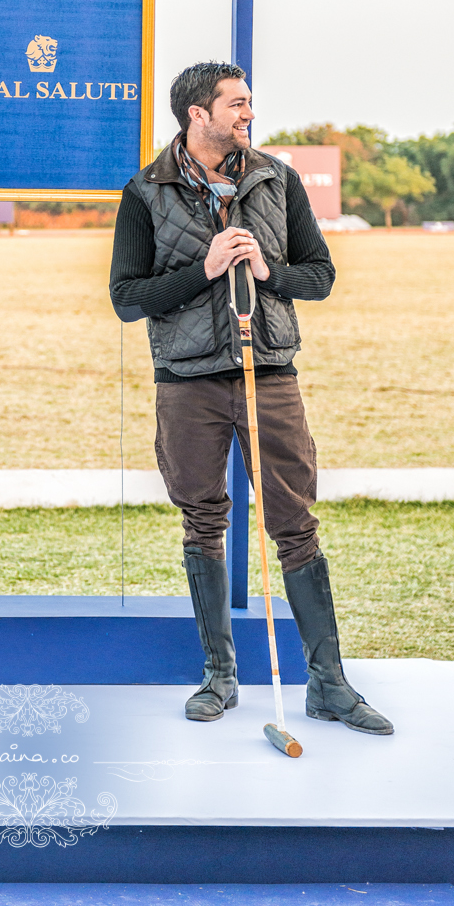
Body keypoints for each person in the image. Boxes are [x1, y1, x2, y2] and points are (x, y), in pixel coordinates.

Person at [109, 61, 392, 736]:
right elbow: (126, 298)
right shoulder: (144, 192)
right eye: (235, 104)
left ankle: (328, 683)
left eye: (248, 103)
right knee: (202, 520)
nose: (247, 115)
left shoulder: (276, 178)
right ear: (195, 114)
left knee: (294, 522)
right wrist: (201, 269)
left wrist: (268, 272)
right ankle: (219, 675)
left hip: (267, 373)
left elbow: (319, 276)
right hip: (187, 380)